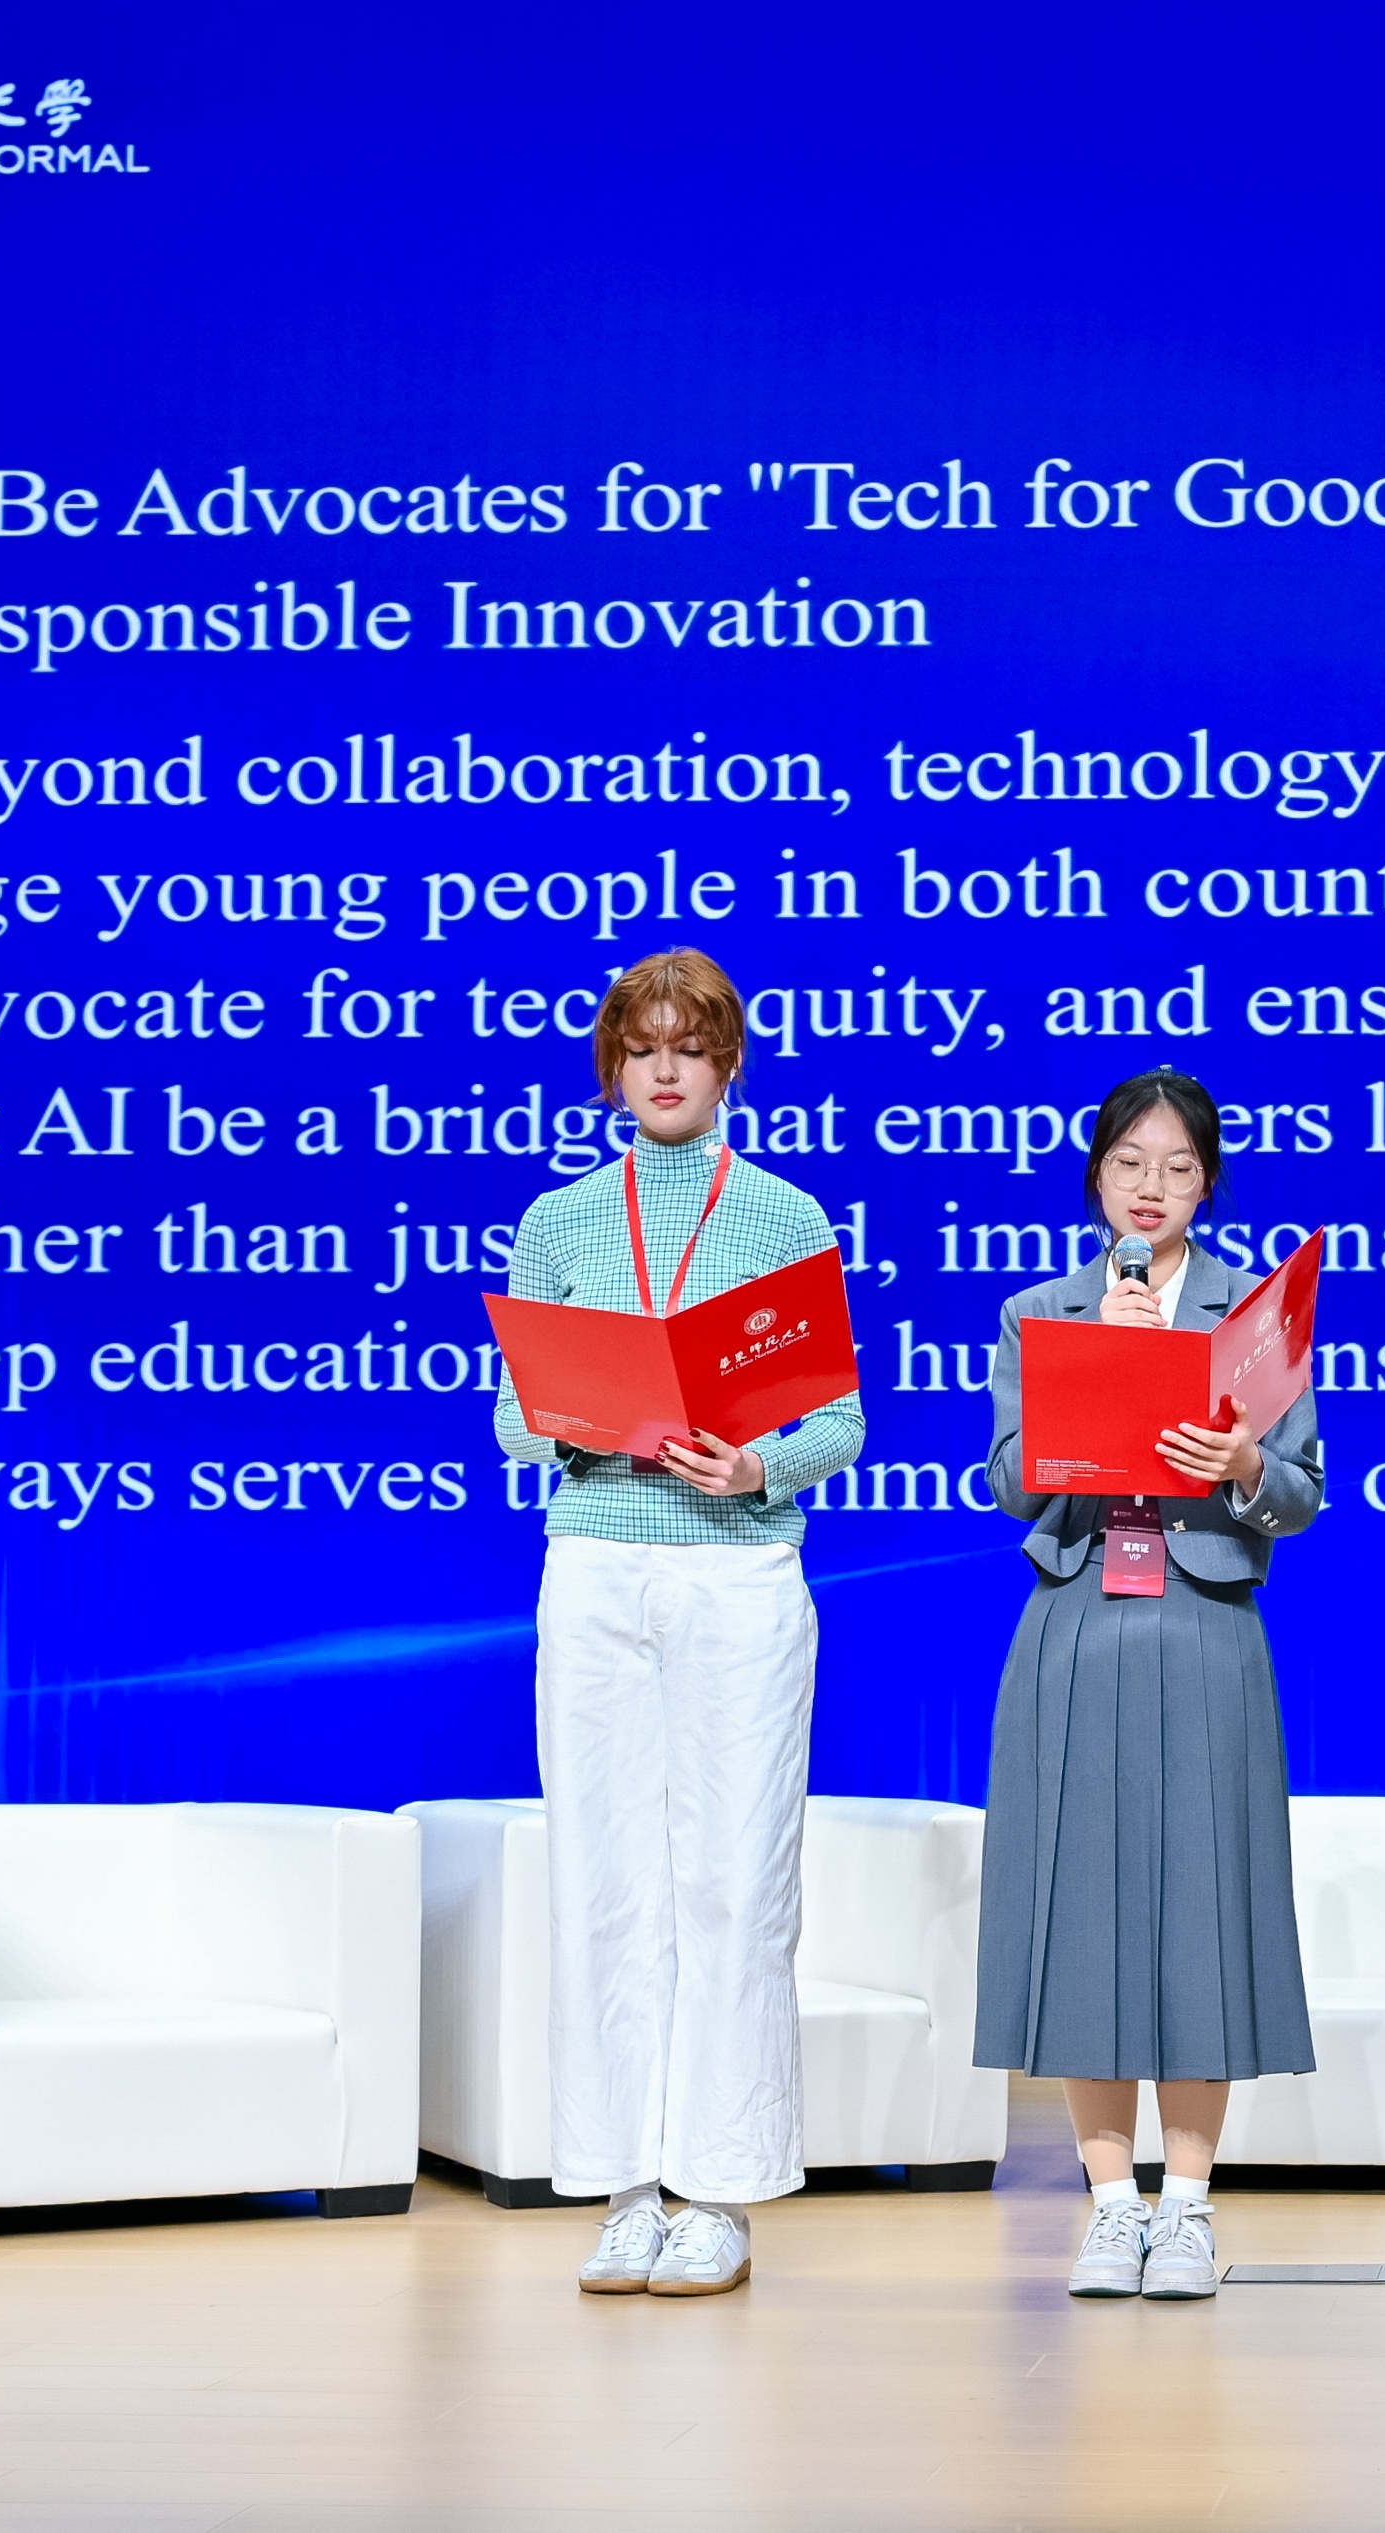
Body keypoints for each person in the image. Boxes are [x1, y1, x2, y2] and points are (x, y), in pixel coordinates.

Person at [491, 947, 866, 2299]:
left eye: (688, 1048)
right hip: (595, 1563)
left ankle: (718, 2191)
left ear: (726, 1066)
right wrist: (574, 1418)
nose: (664, 1069)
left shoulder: (781, 1214)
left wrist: (758, 1463)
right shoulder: (559, 1221)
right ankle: (622, 2187)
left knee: (732, 1882)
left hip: (737, 1574)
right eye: (642, 1047)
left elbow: (839, 1422)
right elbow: (511, 1418)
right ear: (613, 1066)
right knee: (603, 1880)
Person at [976, 1071, 1323, 2304]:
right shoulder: (1042, 1312)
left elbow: (1300, 1493)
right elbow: (1011, 1481)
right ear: (1096, 1177)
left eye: (1177, 1167)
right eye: (1129, 1163)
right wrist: (1103, 1368)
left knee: (1200, 1910)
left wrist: (1241, 1461)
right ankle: (1108, 2205)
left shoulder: (1251, 1314)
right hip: (1078, 1622)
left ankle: (1186, 2206)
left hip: (1205, 1624)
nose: (1151, 1187)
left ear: (1206, 1183)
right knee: (1084, 1912)